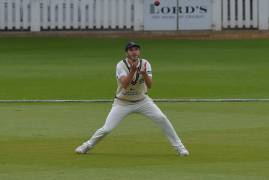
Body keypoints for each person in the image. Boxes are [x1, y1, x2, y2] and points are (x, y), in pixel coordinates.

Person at [75, 42, 189, 156]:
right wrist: (133, 71)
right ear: (126, 53)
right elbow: (125, 84)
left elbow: (149, 85)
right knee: (107, 129)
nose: (134, 52)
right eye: (131, 50)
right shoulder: (121, 65)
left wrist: (144, 74)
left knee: (162, 119)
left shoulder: (145, 63)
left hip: (143, 101)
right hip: (122, 103)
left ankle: (180, 148)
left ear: (139, 52)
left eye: (136, 49)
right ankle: (87, 146)